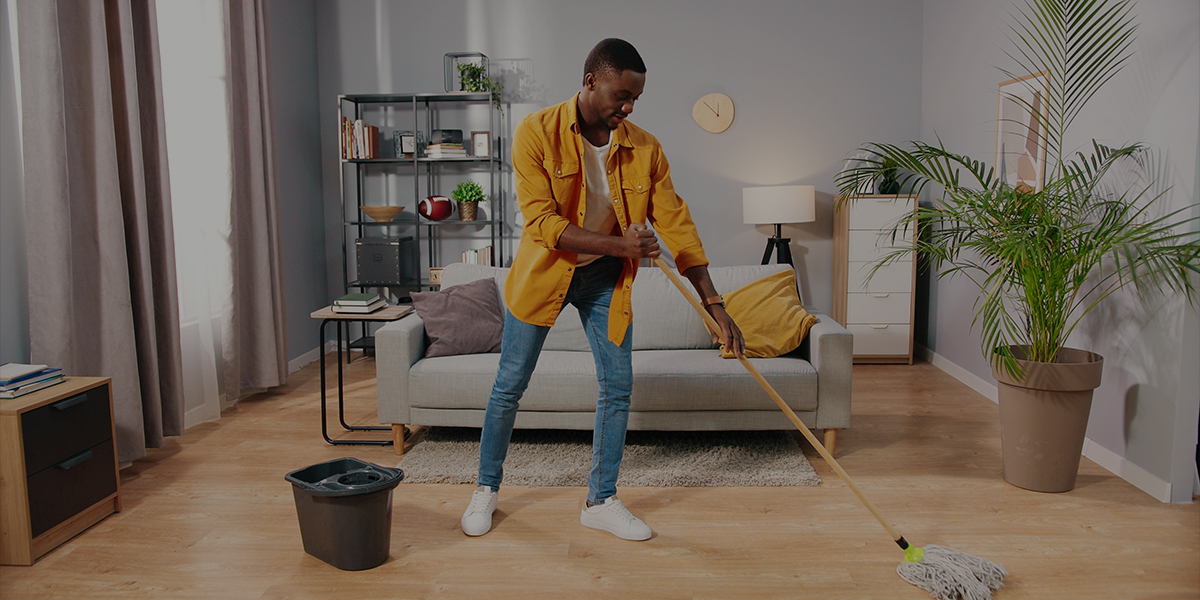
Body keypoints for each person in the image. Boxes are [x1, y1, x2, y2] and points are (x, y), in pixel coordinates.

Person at [461, 38, 744, 541]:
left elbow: (678, 226)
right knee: (509, 385)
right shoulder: (535, 132)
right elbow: (543, 224)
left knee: (618, 385)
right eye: (621, 95)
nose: (628, 107)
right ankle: (486, 487)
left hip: (604, 282)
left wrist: (714, 304)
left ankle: (601, 499)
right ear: (591, 81)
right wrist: (621, 245)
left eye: (636, 98)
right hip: (546, 272)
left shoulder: (645, 147)